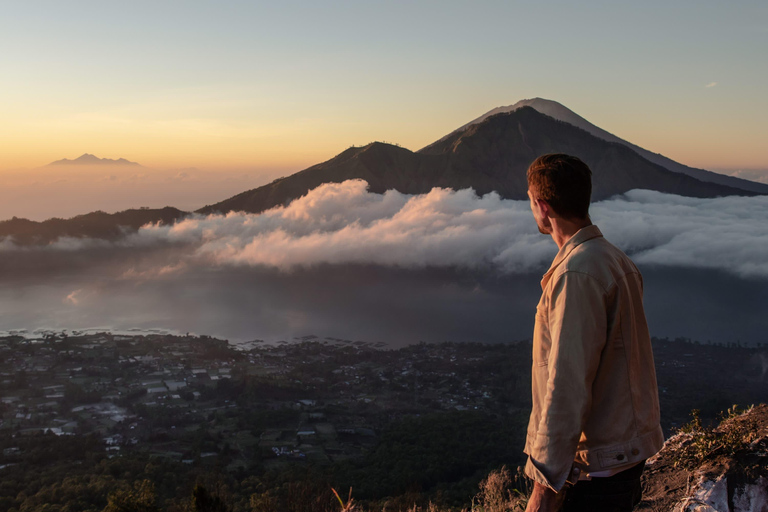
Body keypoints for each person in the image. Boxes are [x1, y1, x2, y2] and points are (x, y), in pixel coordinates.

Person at [523, 154, 664, 512]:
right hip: (623, 460)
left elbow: (567, 383)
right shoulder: (614, 259)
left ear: (542, 206)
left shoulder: (577, 274)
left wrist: (544, 482)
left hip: (595, 474)